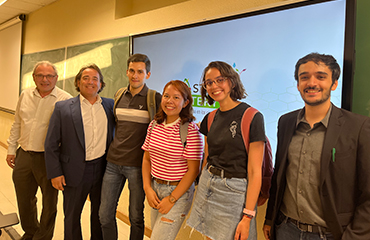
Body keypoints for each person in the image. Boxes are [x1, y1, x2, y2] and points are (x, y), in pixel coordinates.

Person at [263, 53, 370, 240]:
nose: (311, 83)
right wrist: (270, 218)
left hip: (331, 234)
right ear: (298, 84)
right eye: (304, 77)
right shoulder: (286, 122)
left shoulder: (358, 127)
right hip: (286, 229)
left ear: (334, 83)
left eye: (321, 76)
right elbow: (279, 175)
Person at [187, 61, 266, 240]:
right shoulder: (209, 118)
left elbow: (255, 172)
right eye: (209, 82)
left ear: (231, 81)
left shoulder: (252, 117)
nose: (214, 86)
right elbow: (207, 157)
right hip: (208, 184)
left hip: (234, 192)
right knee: (208, 236)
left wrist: (247, 216)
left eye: (219, 80)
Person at [44, 64, 115, 240]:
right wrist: (55, 172)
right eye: (86, 78)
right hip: (73, 171)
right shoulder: (63, 107)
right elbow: (51, 143)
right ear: (78, 81)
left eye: (95, 79)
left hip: (102, 170)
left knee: (100, 215)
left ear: (100, 84)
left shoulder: (110, 106)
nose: (90, 82)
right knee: (72, 217)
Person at [6, 61, 72, 240]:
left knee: (49, 203)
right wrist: (11, 149)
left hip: (49, 159)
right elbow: (18, 123)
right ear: (34, 78)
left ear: (56, 78)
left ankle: (43, 237)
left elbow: (68, 136)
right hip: (24, 155)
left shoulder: (65, 100)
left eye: (49, 76)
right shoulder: (25, 95)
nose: (45, 79)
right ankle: (30, 232)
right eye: (40, 75)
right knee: (24, 199)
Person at [99, 53, 161, 240]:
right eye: (132, 71)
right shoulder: (119, 95)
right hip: (113, 163)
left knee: (135, 216)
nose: (135, 75)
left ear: (147, 75)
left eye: (140, 72)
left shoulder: (154, 98)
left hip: (137, 166)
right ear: (127, 72)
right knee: (104, 215)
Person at [142, 80, 203, 240]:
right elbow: (147, 159)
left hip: (177, 193)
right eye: (167, 96)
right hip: (155, 189)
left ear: (185, 103)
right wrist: (148, 188)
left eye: (176, 97)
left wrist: (172, 198)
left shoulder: (190, 130)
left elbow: (193, 170)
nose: (170, 101)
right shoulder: (154, 125)